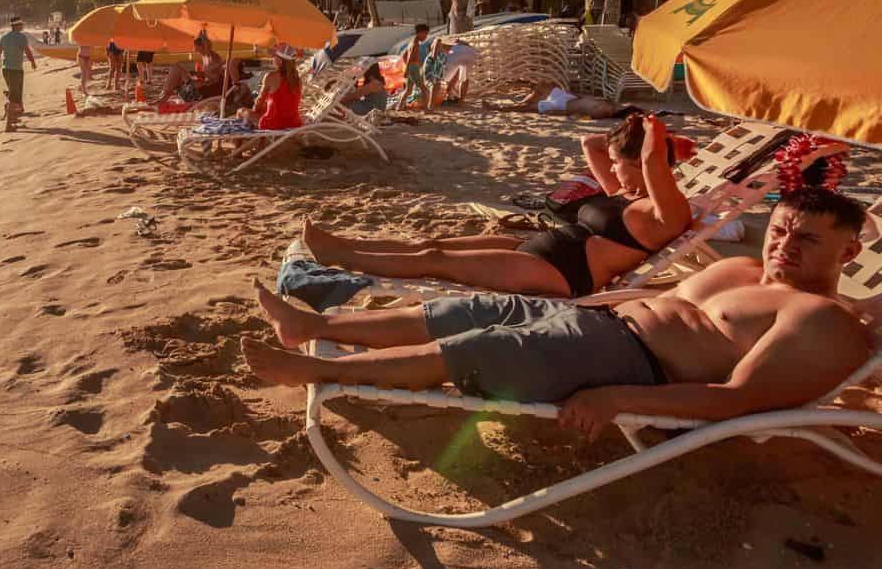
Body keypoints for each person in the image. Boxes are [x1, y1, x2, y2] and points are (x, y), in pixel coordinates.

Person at [245, 188, 873, 438]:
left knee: (488, 351)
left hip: (631, 362)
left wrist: (616, 397)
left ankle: (315, 372)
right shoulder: (741, 269)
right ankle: (314, 327)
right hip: (597, 319)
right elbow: (659, 299)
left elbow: (737, 398)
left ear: (849, 251)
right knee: (466, 309)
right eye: (781, 231)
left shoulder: (823, 321)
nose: (784, 246)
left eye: (805, 240)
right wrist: (584, 302)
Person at [298, 115, 692, 297]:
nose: (613, 171)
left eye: (620, 164)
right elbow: (591, 145)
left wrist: (655, 129)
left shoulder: (665, 212)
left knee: (435, 258)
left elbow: (655, 162)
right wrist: (639, 131)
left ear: (640, 162)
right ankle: (345, 248)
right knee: (431, 243)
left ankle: (342, 258)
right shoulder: (626, 195)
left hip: (559, 272)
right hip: (538, 247)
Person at [236, 45, 304, 130]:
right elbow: (287, 103)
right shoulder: (298, 80)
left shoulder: (271, 76)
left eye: (274, 56)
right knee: (264, 110)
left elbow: (259, 102)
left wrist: (254, 111)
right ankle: (261, 143)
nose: (272, 58)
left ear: (279, 60)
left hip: (274, 123)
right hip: (294, 123)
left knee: (240, 112)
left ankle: (238, 143)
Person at [491, 81, 633, 119]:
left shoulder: (605, 111)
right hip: (567, 98)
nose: (624, 104)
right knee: (542, 85)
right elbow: (582, 98)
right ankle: (523, 102)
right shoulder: (607, 103)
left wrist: (558, 113)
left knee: (526, 109)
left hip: (561, 105)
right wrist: (569, 93)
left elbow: (580, 114)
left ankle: (499, 108)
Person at [0, 16, 37, 131]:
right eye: (21, 24)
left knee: (16, 96)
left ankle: (13, 115)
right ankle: (8, 125)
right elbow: (27, 51)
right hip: (16, 70)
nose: (23, 26)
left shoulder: (4, 37)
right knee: (14, 98)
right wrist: (32, 62)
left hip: (5, 70)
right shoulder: (22, 37)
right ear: (17, 25)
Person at [157, 35, 228, 104]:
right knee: (176, 73)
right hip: (197, 92)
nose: (194, 48)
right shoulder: (205, 57)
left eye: (195, 46)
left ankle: (163, 98)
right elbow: (209, 74)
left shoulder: (213, 56)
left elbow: (215, 77)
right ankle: (163, 98)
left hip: (200, 94)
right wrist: (196, 73)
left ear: (202, 46)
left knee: (176, 69)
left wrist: (203, 81)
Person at [428, 38, 479, 108]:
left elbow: (437, 42)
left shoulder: (435, 44)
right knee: (464, 79)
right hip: (471, 52)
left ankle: (434, 102)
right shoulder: (458, 43)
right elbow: (456, 74)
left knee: (441, 78)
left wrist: (433, 60)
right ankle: (461, 102)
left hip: (456, 53)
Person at [392, 23, 432, 109]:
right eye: (425, 34)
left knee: (408, 90)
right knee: (424, 89)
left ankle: (399, 107)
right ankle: (426, 109)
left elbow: (404, 56)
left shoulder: (411, 42)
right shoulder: (415, 44)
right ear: (420, 33)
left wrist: (413, 65)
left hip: (412, 67)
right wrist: (408, 69)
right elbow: (409, 57)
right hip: (413, 69)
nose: (426, 37)